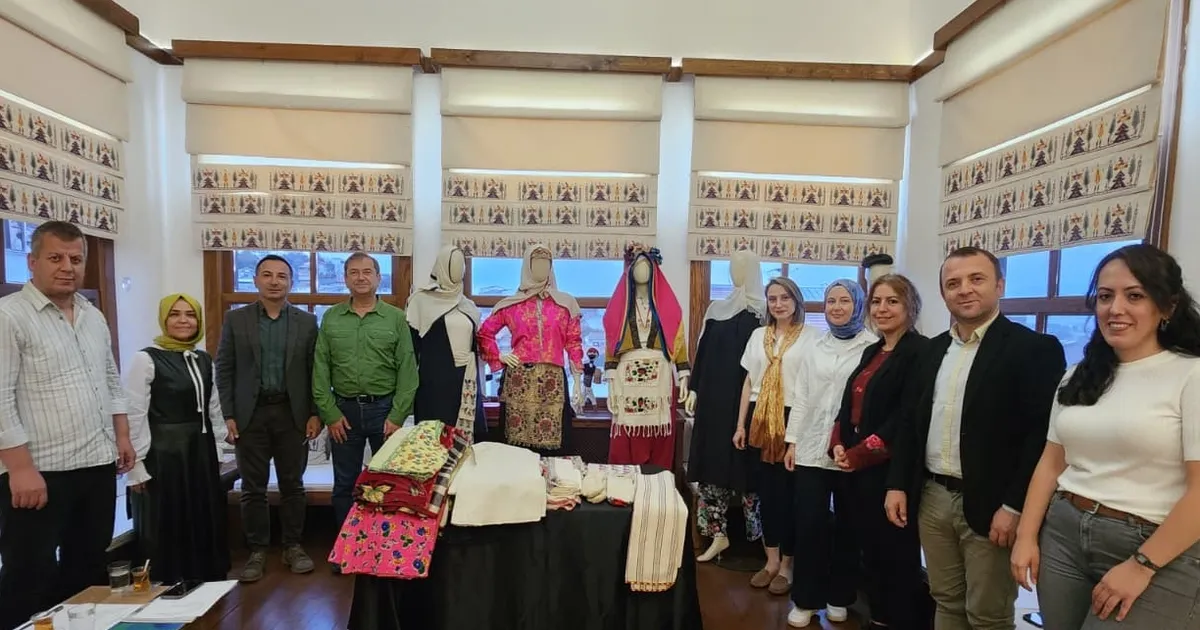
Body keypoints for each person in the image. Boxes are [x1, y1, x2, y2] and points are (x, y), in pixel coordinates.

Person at [1011, 244, 1200, 629]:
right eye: (1105, 296)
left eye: (1135, 296)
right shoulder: (1080, 374)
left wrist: (1142, 565)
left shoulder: (1190, 375)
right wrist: (1026, 536)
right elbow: (1051, 463)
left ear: (1167, 306)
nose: (1115, 309)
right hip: (1063, 533)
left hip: (1154, 544)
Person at [886, 246, 1065, 630]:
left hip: (994, 504)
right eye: (953, 283)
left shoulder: (1034, 349)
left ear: (999, 285)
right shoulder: (931, 350)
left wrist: (1015, 507)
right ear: (943, 294)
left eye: (976, 279)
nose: (964, 289)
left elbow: (1040, 438)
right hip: (933, 498)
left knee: (987, 614)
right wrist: (897, 484)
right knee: (945, 600)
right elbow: (909, 423)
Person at [0, 221, 135, 630]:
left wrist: (122, 435)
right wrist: (21, 468)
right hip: (39, 472)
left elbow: (110, 378)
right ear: (32, 261)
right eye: (55, 258)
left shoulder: (93, 316)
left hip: (96, 463)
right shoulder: (9, 316)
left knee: (89, 566)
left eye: (75, 259)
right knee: (29, 572)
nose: (67, 267)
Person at [830, 274, 928, 629]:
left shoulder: (920, 352)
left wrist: (858, 453)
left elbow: (906, 417)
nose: (882, 309)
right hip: (858, 470)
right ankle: (879, 616)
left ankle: (895, 619)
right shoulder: (873, 350)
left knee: (894, 556)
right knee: (869, 551)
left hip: (891, 472)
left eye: (892, 301)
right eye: (876, 301)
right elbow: (848, 405)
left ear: (910, 306)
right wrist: (838, 443)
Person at [217, 254, 321, 582]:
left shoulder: (307, 322)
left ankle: (293, 546)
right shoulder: (237, 319)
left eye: (281, 276)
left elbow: (316, 371)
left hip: (292, 414)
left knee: (293, 485)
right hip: (251, 414)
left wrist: (315, 413)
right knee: (253, 487)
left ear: (291, 282)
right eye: (267, 275)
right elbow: (224, 368)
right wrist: (228, 414)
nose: (274, 281)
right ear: (256, 280)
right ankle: (257, 550)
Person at [313, 251, 418, 563]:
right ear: (345, 278)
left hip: (384, 412)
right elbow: (320, 369)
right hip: (343, 413)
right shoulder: (331, 318)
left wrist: (397, 415)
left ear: (378, 278)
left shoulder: (395, 318)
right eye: (354, 272)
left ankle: (384, 551)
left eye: (367, 272)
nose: (361, 277)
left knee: (388, 484)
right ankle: (347, 552)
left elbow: (408, 370)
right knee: (345, 485)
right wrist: (329, 413)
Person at [783, 279, 876, 627]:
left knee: (849, 526)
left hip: (851, 452)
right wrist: (792, 441)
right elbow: (802, 396)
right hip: (811, 448)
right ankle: (805, 600)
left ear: (858, 304)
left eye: (844, 301)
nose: (837, 307)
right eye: (831, 301)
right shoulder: (815, 346)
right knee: (809, 525)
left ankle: (840, 595)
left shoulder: (873, 347)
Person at [125, 294, 231, 584]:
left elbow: (214, 408)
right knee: (168, 515)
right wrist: (136, 467)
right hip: (164, 452)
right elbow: (134, 413)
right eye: (175, 314)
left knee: (201, 512)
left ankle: (203, 578)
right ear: (164, 319)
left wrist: (218, 450)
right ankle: (168, 581)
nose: (183, 320)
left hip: (199, 450)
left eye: (190, 314)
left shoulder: (203, 359)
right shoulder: (146, 359)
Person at [732, 277, 820, 595]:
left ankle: (787, 567)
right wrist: (740, 425)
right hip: (759, 419)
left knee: (791, 497)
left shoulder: (812, 338)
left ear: (796, 300)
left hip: (792, 417)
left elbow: (812, 386)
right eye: (772, 299)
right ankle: (770, 562)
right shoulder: (758, 335)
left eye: (785, 297)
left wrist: (796, 437)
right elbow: (748, 381)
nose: (779, 304)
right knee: (766, 496)